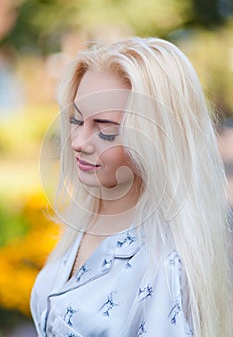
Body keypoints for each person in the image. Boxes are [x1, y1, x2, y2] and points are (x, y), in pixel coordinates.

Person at [30, 37, 233, 337]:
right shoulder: (88, 218)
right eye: (75, 119)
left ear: (156, 139)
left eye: (106, 129)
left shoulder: (162, 267)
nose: (78, 142)